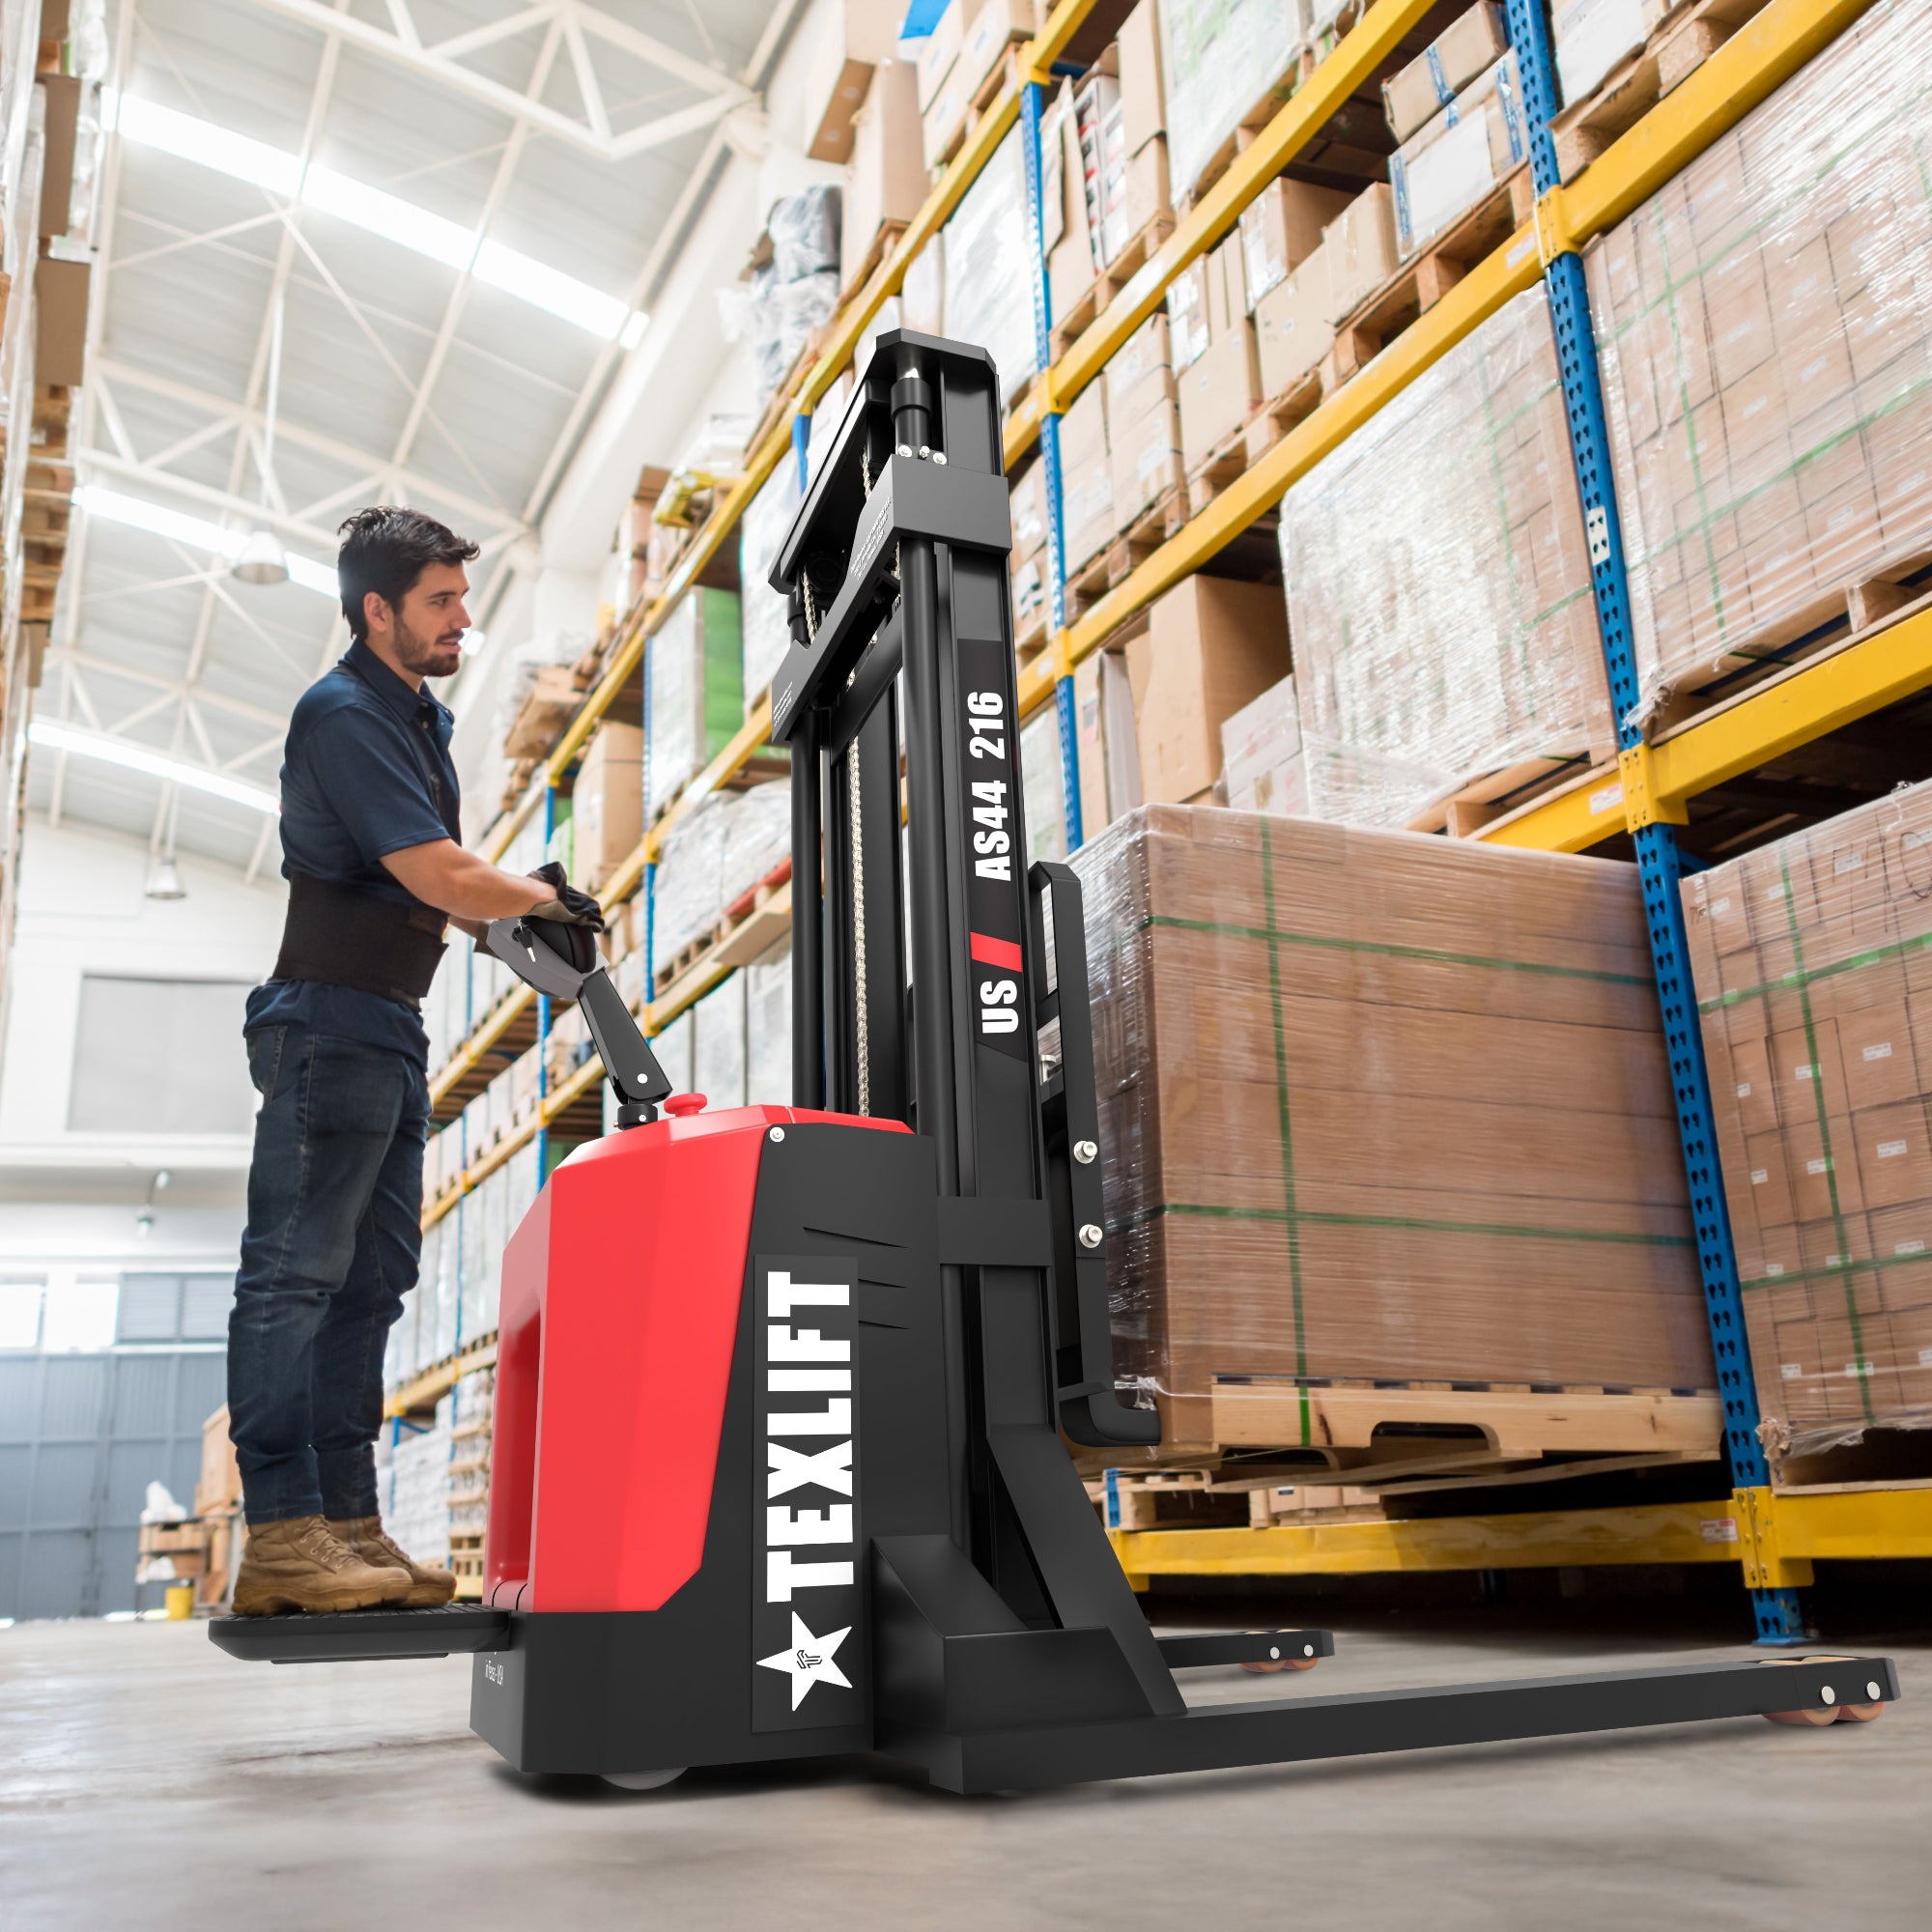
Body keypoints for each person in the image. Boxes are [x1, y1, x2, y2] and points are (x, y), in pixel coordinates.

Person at [228, 507, 603, 1616]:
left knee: (372, 1284)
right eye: (441, 600)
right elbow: (438, 874)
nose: (462, 618)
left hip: (387, 1023)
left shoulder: (415, 719)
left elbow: (441, 878)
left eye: (461, 597)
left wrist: (517, 905)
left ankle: (346, 1522)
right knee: (295, 1275)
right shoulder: (342, 713)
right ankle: (283, 1530)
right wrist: (538, 895)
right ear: (375, 608)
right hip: (327, 1021)